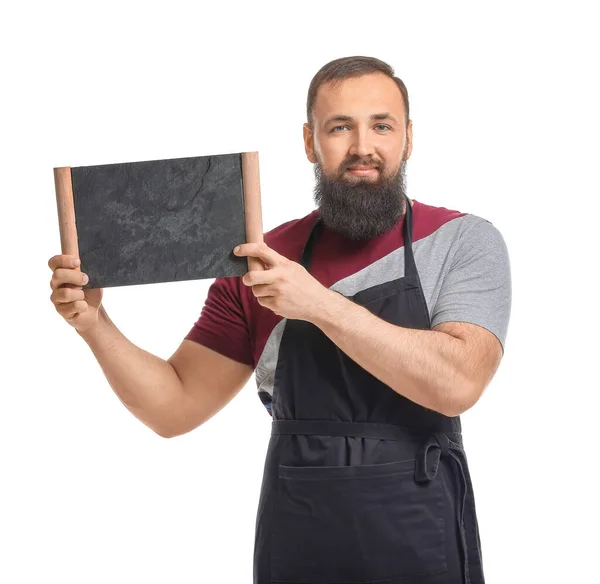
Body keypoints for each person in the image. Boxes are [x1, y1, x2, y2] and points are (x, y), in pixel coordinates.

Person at [48, 56, 511, 584]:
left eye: (381, 125)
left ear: (408, 137)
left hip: (419, 535)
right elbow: (173, 408)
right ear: (310, 142)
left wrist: (315, 303)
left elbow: (457, 382)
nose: (363, 147)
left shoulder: (462, 242)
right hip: (298, 536)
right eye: (340, 127)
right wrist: (95, 324)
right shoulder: (258, 259)